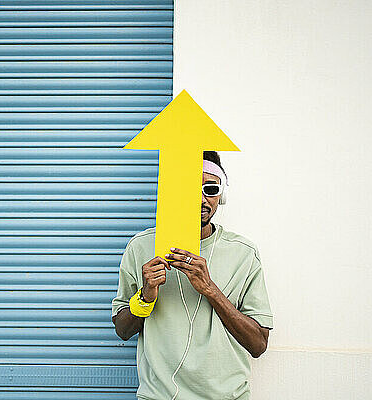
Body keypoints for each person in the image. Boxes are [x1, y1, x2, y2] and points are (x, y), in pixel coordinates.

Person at [111, 151, 273, 400]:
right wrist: (145, 297)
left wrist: (210, 289)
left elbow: (258, 344)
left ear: (222, 195)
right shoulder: (141, 247)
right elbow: (122, 330)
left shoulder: (244, 253)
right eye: (190, 187)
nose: (201, 199)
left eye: (210, 189)